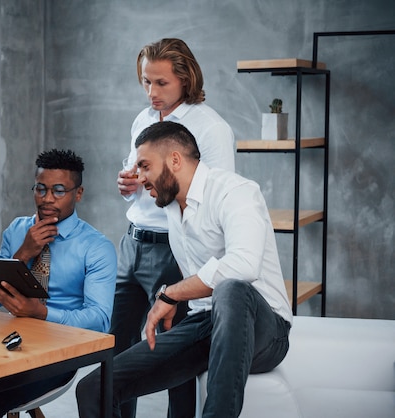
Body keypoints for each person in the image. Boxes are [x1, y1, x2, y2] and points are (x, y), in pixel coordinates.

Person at [77, 121, 292, 418]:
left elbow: (243, 265)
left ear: (175, 160)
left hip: (265, 332)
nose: (139, 177)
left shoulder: (236, 191)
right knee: (94, 388)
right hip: (206, 325)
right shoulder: (171, 209)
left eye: (144, 166)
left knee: (231, 288)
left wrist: (170, 294)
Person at [112, 38, 235, 418]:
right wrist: (128, 188)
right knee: (116, 348)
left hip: (175, 251)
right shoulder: (143, 119)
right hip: (131, 244)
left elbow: (218, 197)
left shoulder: (211, 128)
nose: (152, 92)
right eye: (146, 82)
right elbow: (136, 184)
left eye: (161, 83)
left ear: (185, 78)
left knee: (175, 358)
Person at [0, 148, 117, 418]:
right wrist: (22, 254)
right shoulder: (16, 230)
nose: (47, 199)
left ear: (78, 194)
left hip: (58, 352)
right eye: (40, 189)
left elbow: (100, 320)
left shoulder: (96, 247)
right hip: (7, 342)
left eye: (59, 191)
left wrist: (41, 313)